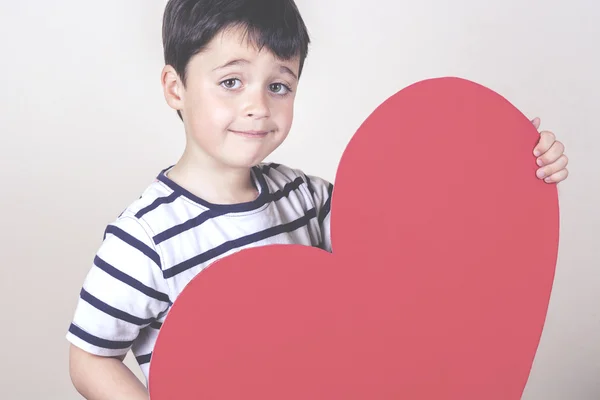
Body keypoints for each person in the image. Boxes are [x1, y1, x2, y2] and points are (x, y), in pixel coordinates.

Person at [65, 0, 570, 398]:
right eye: (231, 81)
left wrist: (512, 167)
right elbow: (90, 357)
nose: (257, 106)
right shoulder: (144, 237)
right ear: (176, 87)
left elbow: (407, 251)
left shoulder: (304, 196)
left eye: (279, 85)